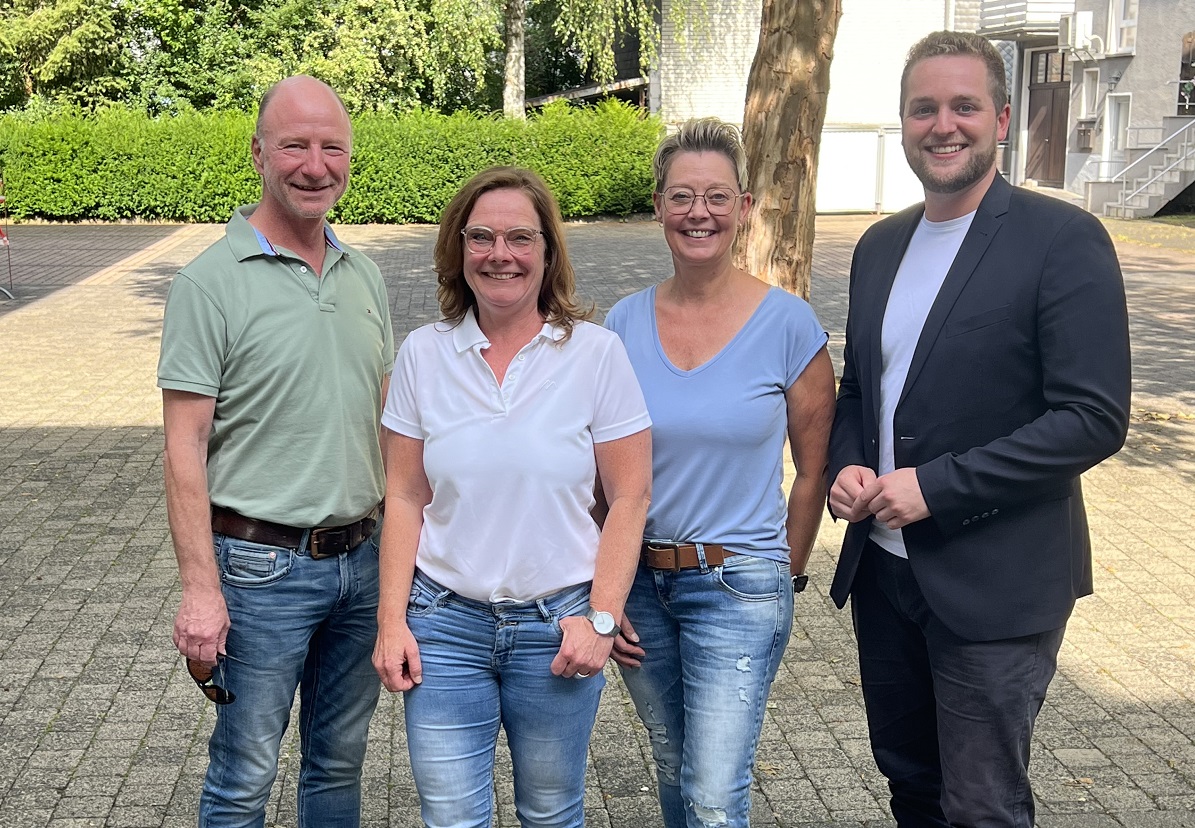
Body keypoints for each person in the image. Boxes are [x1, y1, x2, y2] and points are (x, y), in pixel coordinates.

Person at [827, 31, 1131, 827]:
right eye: (923, 109)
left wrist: (935, 487)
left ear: (999, 117)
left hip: (996, 584)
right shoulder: (878, 246)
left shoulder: (1060, 239)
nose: (943, 125)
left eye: (963, 106)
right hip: (885, 577)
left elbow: (1091, 418)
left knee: (981, 806)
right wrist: (849, 466)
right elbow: (862, 389)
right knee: (910, 787)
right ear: (903, 126)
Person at [371, 166, 652, 828]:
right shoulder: (422, 355)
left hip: (556, 628)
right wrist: (391, 622)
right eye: (482, 237)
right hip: (442, 627)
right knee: (449, 817)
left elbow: (631, 496)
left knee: (552, 813)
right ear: (457, 248)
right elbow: (404, 497)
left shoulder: (596, 355)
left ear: (548, 252)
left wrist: (603, 619)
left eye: (521, 237)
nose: (501, 255)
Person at [158, 75, 393, 828]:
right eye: (294, 145)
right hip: (261, 570)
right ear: (258, 152)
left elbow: (388, 424)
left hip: (363, 563)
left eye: (333, 147)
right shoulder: (208, 283)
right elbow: (183, 446)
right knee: (245, 771)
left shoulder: (366, 276)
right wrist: (201, 589)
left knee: (337, 765)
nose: (314, 165)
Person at [604, 118, 836, 828]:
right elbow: (599, 474)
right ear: (657, 206)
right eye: (680, 197)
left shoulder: (789, 325)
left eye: (714, 196)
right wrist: (602, 592)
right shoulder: (620, 324)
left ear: (745, 207)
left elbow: (813, 469)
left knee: (712, 791)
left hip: (738, 585)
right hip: (639, 588)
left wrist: (783, 572)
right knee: (673, 768)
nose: (696, 212)